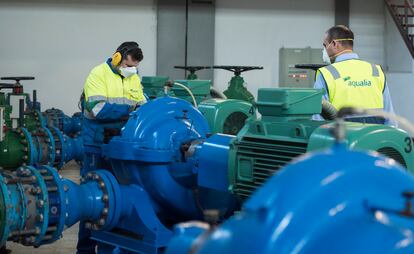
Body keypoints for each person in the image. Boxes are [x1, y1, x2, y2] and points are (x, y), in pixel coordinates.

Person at [77, 41, 147, 254]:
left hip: (120, 147)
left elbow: (143, 104)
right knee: (93, 200)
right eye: (128, 64)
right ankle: (86, 250)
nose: (131, 69)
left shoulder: (133, 78)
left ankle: (112, 247)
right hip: (97, 146)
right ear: (117, 58)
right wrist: (129, 110)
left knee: (117, 200)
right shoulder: (97, 74)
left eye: (134, 66)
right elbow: (98, 110)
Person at [314, 25, 396, 125]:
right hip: (375, 137)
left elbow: (317, 119)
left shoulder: (326, 73)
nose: (324, 50)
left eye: (325, 45)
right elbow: (390, 117)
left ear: (335, 44)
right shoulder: (376, 71)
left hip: (342, 138)